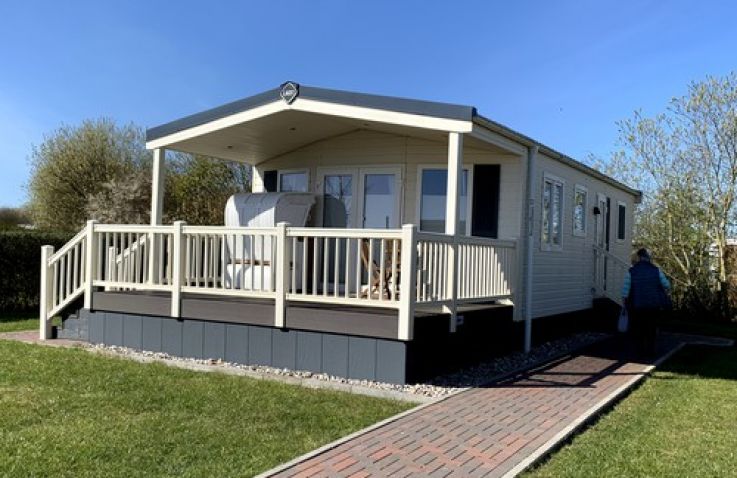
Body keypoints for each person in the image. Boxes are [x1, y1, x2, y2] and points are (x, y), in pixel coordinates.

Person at [621, 248, 671, 356]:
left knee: (638, 328)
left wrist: (624, 302)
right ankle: (651, 351)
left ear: (639, 257)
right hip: (653, 305)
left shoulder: (631, 271)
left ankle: (639, 351)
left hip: (636, 305)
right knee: (651, 328)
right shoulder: (656, 270)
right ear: (648, 258)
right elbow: (667, 285)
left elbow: (625, 290)